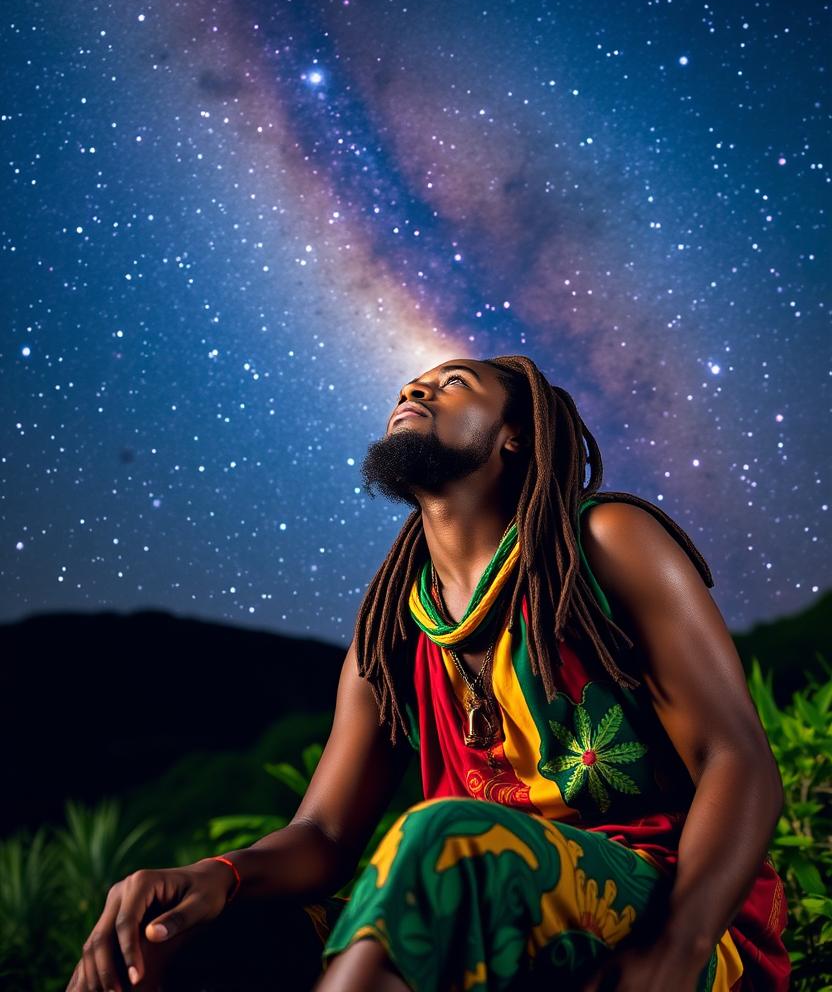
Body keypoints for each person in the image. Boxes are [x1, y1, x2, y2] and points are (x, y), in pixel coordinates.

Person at [65, 355, 791, 992]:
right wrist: (217, 876)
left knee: (447, 835)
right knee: (177, 937)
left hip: (671, 914)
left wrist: (677, 945)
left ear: (518, 435)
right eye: (412, 384)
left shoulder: (606, 540)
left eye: (452, 384)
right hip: (467, 904)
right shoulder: (391, 630)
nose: (418, 388)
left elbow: (737, 760)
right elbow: (323, 834)